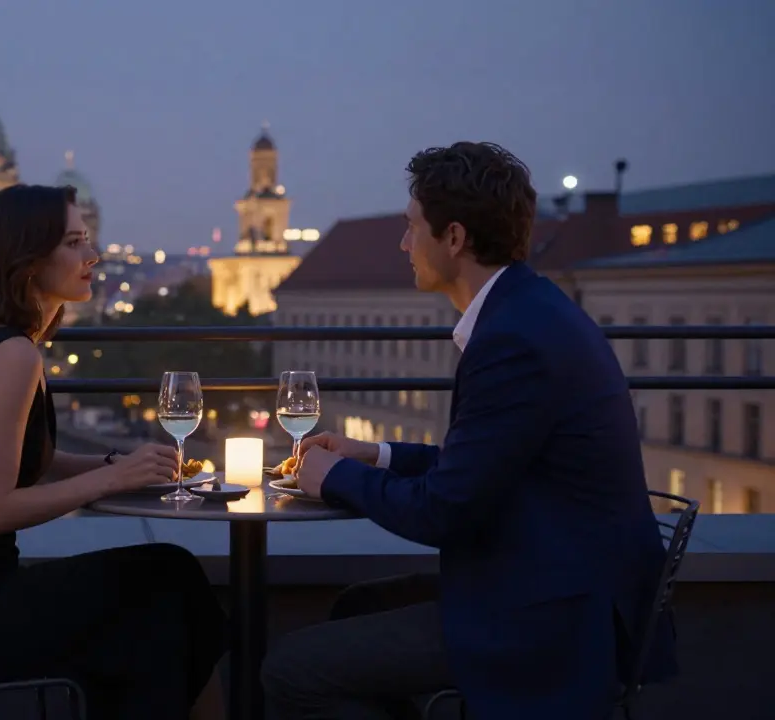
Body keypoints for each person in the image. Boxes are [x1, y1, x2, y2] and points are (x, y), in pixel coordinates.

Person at [261, 142, 676, 720]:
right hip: (553, 580)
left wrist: (335, 478)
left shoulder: (513, 339)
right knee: (358, 605)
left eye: (412, 228)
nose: (404, 244)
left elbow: (444, 512)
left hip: (551, 620)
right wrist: (375, 455)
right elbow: (486, 464)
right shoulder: (529, 311)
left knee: (289, 670)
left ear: (453, 237)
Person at [0, 184, 228, 720]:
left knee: (168, 583)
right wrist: (110, 480)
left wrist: (119, 465)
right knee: (166, 588)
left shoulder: (2, 344)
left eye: (87, 239)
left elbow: (35, 461)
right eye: (74, 243)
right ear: (27, 259)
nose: (93, 254)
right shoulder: (13, 356)